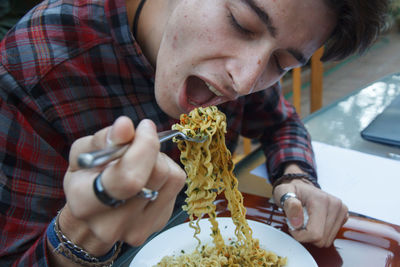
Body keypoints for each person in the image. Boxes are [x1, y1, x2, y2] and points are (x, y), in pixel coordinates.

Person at [0, 0, 388, 266]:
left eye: (281, 62)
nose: (247, 79)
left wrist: (295, 177)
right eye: (241, 23)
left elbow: (281, 123)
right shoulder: (37, 64)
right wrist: (78, 234)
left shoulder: (241, 66)